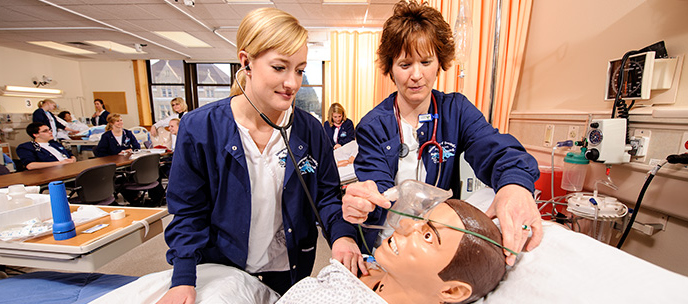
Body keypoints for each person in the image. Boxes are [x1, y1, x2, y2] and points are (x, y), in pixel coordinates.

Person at [159, 7, 363, 303]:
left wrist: (343, 235)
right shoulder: (201, 128)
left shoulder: (309, 130)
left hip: (289, 271)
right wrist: (182, 279)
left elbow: (328, 197)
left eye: (300, 69)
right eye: (280, 68)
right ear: (246, 63)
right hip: (223, 269)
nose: (293, 83)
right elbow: (189, 212)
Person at [341, 0, 542, 266]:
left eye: (426, 62)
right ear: (390, 68)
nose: (416, 75)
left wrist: (514, 185)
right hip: (389, 242)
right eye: (405, 64)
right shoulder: (373, 125)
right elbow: (377, 188)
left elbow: (496, 150)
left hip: (437, 242)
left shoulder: (456, 111)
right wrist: (364, 201)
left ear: (440, 63)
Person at [279, 199, 506, 304]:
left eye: (428, 235)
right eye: (420, 220)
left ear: (453, 291)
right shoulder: (373, 266)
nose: (405, 226)